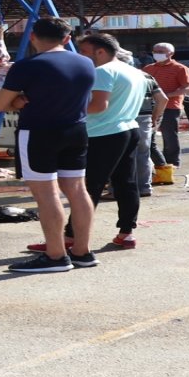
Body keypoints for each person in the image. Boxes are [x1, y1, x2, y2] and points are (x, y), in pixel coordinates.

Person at [0, 16, 96, 273]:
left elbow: (0, 105)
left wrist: (18, 102)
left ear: (32, 37)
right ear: (67, 38)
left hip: (39, 132)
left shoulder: (27, 66)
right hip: (76, 130)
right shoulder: (86, 63)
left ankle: (55, 256)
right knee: (77, 190)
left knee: (47, 194)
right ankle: (82, 252)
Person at [71, 33, 146, 249]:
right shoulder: (134, 71)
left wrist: (66, 107)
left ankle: (70, 235)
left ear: (101, 51)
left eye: (84, 51)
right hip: (129, 128)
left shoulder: (102, 71)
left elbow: (98, 106)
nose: (81, 56)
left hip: (103, 133)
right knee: (127, 183)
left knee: (90, 186)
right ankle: (126, 232)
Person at [119, 50, 167, 198]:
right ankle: (144, 187)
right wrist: (154, 117)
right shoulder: (146, 76)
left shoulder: (112, 75)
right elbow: (163, 99)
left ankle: (119, 190)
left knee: (119, 154)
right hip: (144, 118)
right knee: (143, 153)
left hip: (120, 119)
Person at [141, 42, 189, 168]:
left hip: (171, 106)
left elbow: (187, 88)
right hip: (150, 106)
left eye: (161, 51)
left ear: (171, 53)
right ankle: (157, 162)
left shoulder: (180, 68)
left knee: (169, 135)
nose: (157, 53)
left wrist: (165, 95)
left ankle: (172, 162)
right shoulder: (148, 68)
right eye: (155, 51)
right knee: (149, 136)